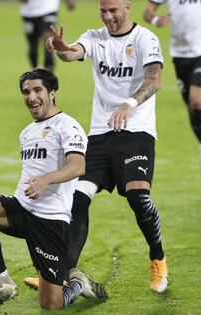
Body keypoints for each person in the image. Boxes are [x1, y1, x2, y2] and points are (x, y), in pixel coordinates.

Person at [24, 0, 169, 294]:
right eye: (103, 11)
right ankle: (58, 274)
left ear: (127, 6)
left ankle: (158, 258)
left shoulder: (145, 39)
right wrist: (62, 48)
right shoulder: (95, 36)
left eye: (113, 11)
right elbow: (74, 53)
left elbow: (154, 80)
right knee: (77, 198)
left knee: (138, 198)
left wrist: (129, 105)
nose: (108, 17)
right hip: (101, 134)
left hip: (136, 131)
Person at [0, 68, 107, 310]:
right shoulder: (27, 132)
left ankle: (77, 282)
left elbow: (78, 166)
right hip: (22, 208)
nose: (31, 97)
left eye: (37, 90)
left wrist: (47, 180)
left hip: (50, 220)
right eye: (25, 92)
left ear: (52, 93)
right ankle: (5, 284)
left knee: (50, 304)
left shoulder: (67, 125)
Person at [143, 1, 201, 177]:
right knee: (192, 109)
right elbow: (147, 12)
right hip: (181, 54)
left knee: (197, 101)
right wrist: (155, 20)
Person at [19, 0, 75, 72]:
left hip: (49, 9)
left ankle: (49, 73)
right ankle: (35, 72)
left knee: (48, 40)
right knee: (33, 46)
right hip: (29, 13)